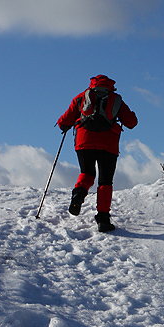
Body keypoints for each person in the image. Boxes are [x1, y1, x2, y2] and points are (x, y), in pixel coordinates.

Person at [57, 75, 138, 232]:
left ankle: (79, 194)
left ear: (92, 83)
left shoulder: (82, 97)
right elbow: (132, 123)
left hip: (84, 141)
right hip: (108, 144)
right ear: (110, 85)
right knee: (105, 181)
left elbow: (64, 122)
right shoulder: (115, 99)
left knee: (87, 173)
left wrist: (64, 125)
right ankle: (103, 219)